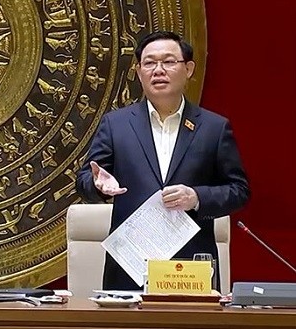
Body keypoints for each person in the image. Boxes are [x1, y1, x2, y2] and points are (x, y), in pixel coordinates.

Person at [75, 31, 250, 291]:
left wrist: (197, 197)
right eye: (149, 63)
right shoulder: (116, 124)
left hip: (191, 267)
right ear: (138, 71)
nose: (158, 70)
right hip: (130, 267)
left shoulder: (214, 128)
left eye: (168, 62)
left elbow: (239, 190)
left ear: (188, 69)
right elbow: (84, 181)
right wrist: (98, 185)